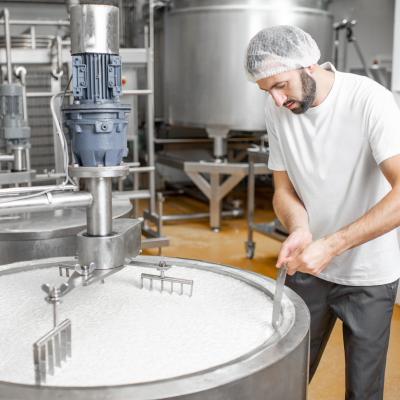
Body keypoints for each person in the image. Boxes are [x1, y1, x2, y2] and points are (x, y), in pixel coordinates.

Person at [245, 25, 400, 400]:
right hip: (308, 266)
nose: (278, 101)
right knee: (285, 380)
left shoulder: (369, 100)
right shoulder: (277, 107)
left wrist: (333, 245)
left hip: (370, 275)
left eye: (281, 85)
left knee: (364, 392)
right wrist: (299, 227)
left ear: (309, 65)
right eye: (268, 91)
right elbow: (284, 190)